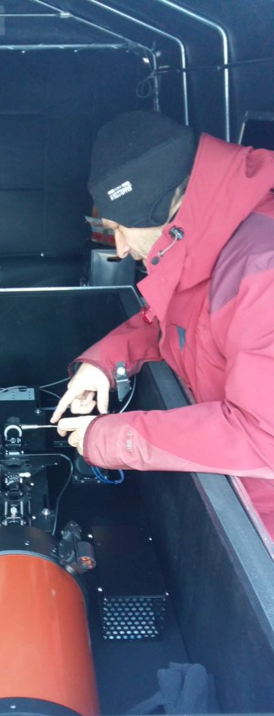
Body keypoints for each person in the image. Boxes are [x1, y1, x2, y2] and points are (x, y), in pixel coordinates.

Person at [51, 109, 274, 539]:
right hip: (231, 496)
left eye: (120, 229)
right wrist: (104, 363)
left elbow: (263, 436)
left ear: (161, 207)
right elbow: (177, 321)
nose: (119, 248)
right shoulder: (207, 239)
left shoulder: (263, 271)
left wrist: (114, 439)